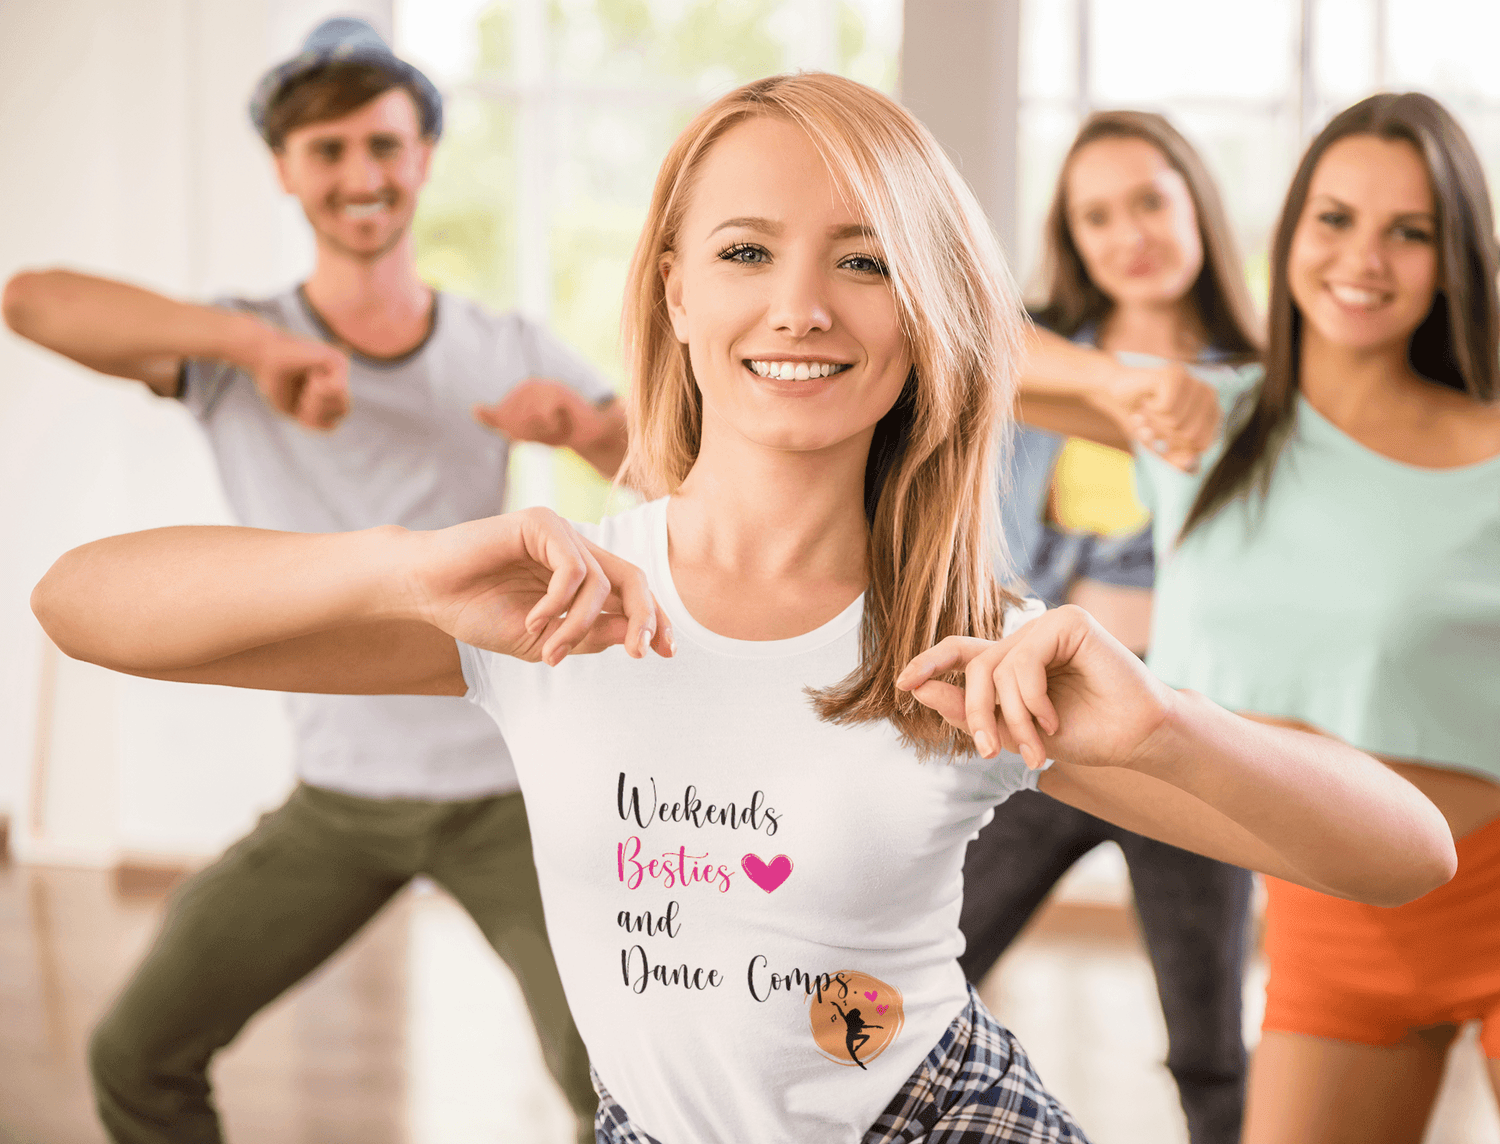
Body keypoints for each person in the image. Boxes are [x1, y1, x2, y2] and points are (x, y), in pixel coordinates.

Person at [28, 73, 1456, 1144]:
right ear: (673, 291)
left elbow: (1408, 856)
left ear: (928, 317)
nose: (802, 307)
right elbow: (82, 603)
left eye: (866, 260)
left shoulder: (966, 653)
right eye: (746, 251)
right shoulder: (557, 613)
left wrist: (1168, 731)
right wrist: (399, 568)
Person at [2, 18, 621, 1144]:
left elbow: (672, 469)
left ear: (425, 158)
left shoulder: (500, 346)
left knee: (620, 1082)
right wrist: (257, 350)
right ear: (285, 170)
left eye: (384, 144)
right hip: (338, 801)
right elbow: (32, 300)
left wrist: (583, 429)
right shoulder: (233, 350)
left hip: (510, 789)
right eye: (326, 150)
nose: (360, 174)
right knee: (135, 1055)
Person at [1056, 92, 1500, 1144]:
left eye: (1410, 231)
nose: (1364, 258)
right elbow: (941, 340)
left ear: (1454, 258)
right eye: (1334, 218)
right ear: (1289, 232)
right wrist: (1116, 382)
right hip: (1325, 924)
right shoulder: (1200, 419)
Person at [957, 112, 1261, 1144]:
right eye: (1096, 216)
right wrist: (1114, 379)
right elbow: (959, 328)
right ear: (1072, 238)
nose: (1127, 233)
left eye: (1149, 202)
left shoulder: (1257, 385)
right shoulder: (1036, 360)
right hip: (1037, 732)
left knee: (1209, 1047)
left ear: (1195, 207)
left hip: (1188, 738)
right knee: (915, 973)